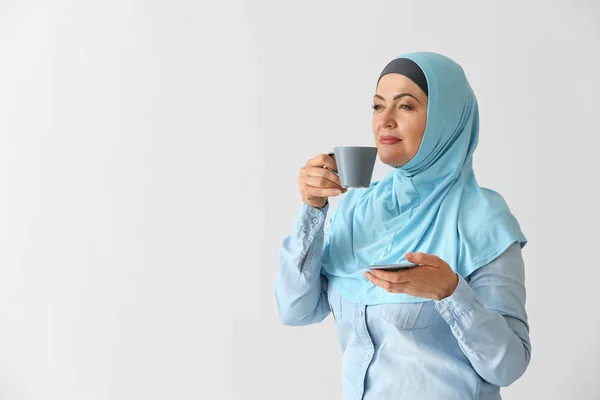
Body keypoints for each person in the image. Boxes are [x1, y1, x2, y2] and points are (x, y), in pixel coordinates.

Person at [273, 52, 531, 399]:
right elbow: (295, 309)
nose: (385, 121)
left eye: (405, 106)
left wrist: (450, 292)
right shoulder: (357, 207)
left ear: (446, 118)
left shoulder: (482, 218)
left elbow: (509, 365)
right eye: (378, 107)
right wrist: (312, 207)